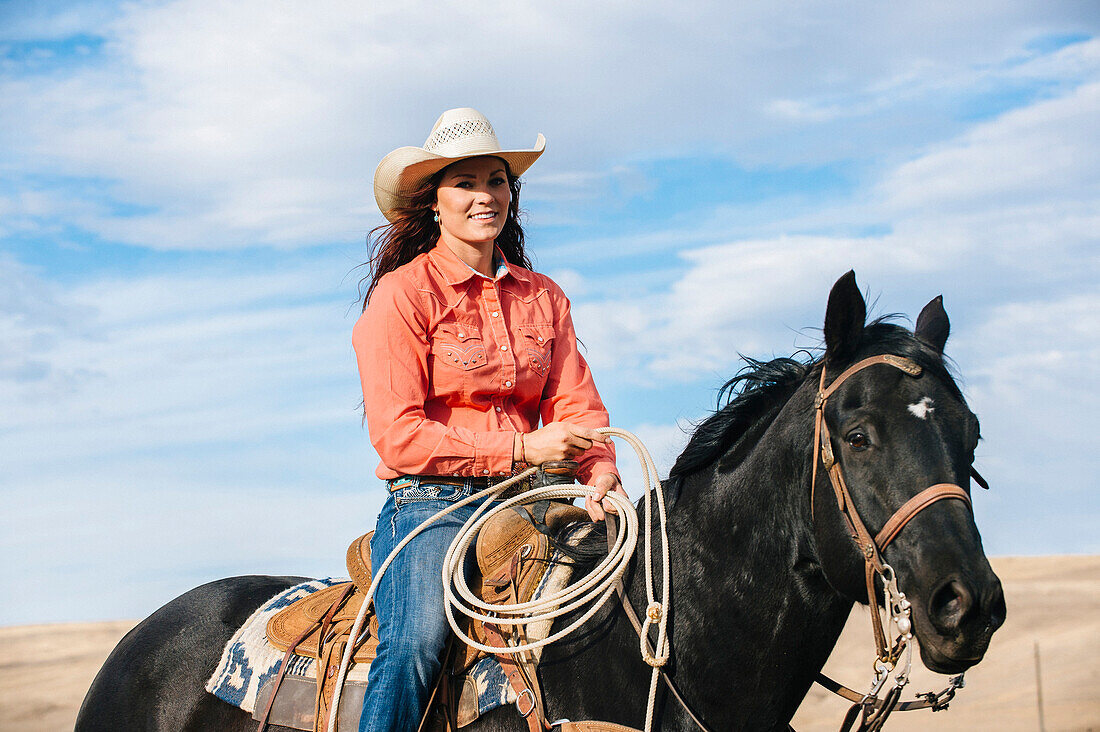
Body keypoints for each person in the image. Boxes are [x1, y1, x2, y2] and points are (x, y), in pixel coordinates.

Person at [352, 108, 624, 731]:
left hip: (536, 496)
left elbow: (575, 402)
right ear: (433, 205)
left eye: (497, 181)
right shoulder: (402, 295)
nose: (486, 196)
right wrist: (524, 451)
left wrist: (600, 470)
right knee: (413, 647)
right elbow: (399, 437)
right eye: (466, 183)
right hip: (432, 502)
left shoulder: (543, 295)